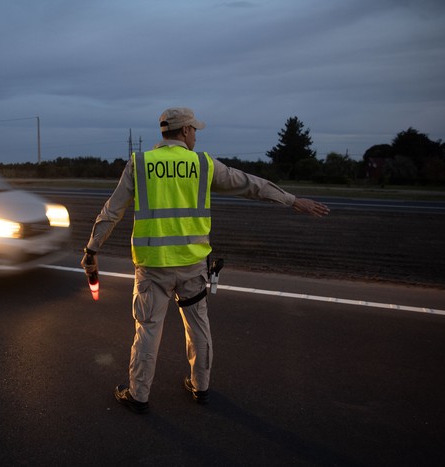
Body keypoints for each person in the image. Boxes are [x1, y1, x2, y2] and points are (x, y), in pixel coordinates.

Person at [81, 107, 330, 414]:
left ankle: (139, 395)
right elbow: (250, 184)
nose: (196, 135)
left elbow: (112, 210)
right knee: (198, 327)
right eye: (194, 130)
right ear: (184, 131)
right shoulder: (203, 164)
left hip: (152, 266)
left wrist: (92, 250)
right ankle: (201, 387)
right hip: (192, 266)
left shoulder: (140, 163)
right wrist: (292, 200)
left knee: (147, 330)